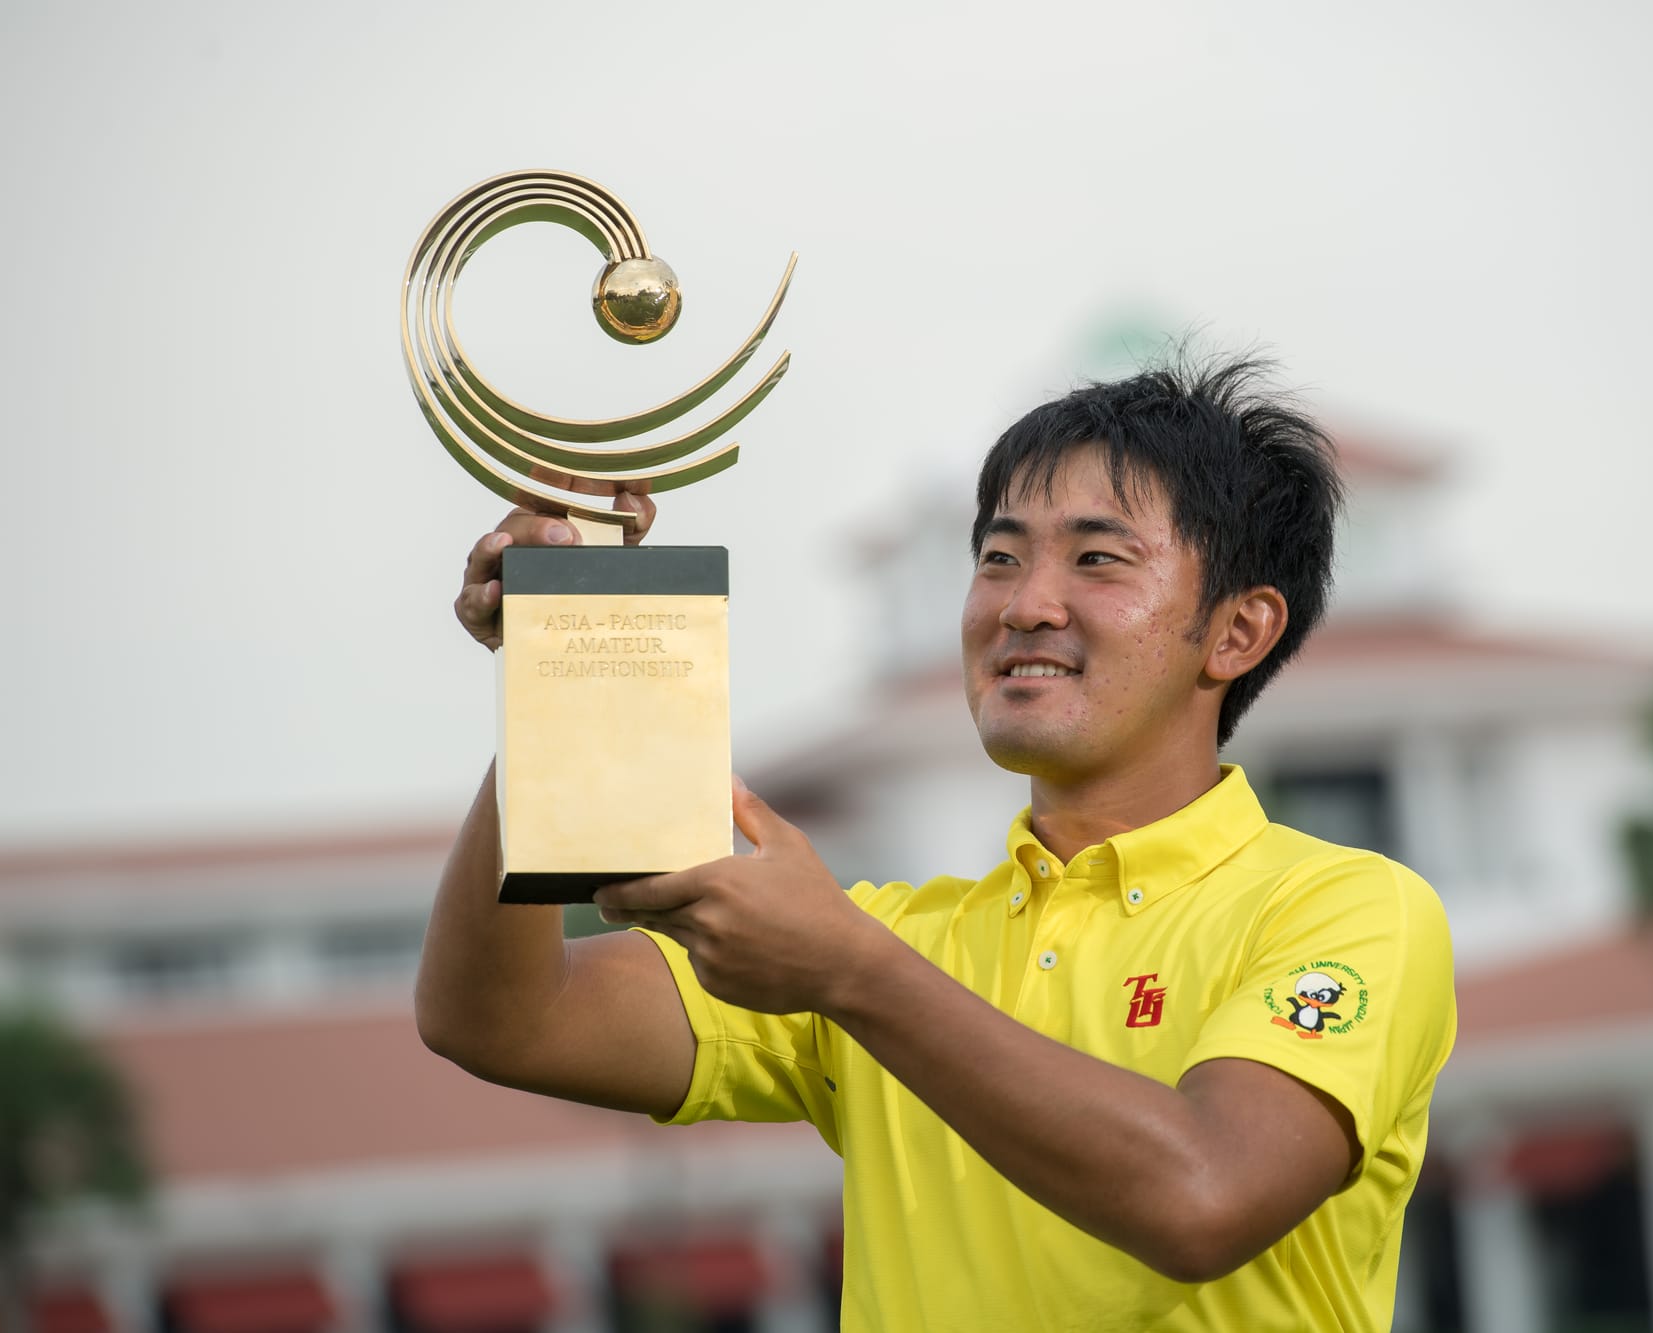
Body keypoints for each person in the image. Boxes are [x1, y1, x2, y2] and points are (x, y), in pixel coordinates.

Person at [417, 356, 1456, 1332]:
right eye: (998, 558)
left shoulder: (1346, 910)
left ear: (1237, 632)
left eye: (1097, 559)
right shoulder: (888, 939)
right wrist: (560, 666)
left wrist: (854, 971)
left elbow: (1204, 1194)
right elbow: (503, 1019)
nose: (1024, 604)